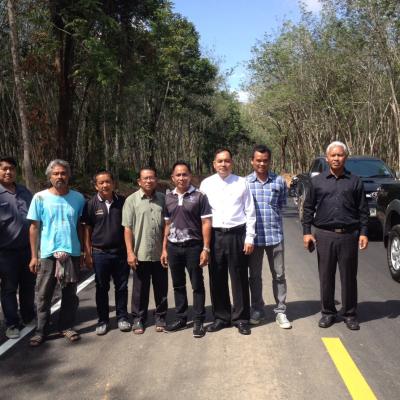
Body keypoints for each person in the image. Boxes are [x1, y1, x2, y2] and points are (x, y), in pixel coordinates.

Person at [302, 141, 369, 330]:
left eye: (340, 155)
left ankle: (349, 314)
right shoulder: (317, 181)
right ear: (327, 158)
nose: (336, 158)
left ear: (345, 157)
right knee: (326, 276)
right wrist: (307, 232)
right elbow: (308, 208)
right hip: (324, 235)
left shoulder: (355, 181)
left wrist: (364, 233)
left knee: (349, 277)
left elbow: (363, 210)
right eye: (333, 155)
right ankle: (328, 313)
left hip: (348, 236)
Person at [27, 159, 85, 346]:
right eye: (56, 173)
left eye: (63, 173)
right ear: (49, 176)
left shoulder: (78, 198)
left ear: (68, 176)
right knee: (43, 294)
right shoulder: (40, 198)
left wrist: (82, 251)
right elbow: (34, 228)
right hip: (47, 255)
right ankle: (41, 330)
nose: (60, 176)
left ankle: (66, 326)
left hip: (72, 253)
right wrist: (34, 256)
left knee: (70, 294)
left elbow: (80, 226)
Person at [200, 149, 256, 335]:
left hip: (237, 234)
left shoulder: (241, 182)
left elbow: (250, 211)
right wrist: (204, 244)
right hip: (215, 235)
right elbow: (202, 215)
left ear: (232, 163)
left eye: (227, 161)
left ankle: (241, 318)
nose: (223, 164)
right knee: (217, 277)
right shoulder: (206, 184)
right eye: (220, 161)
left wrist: (249, 237)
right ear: (214, 164)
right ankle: (221, 317)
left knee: (239, 277)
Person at [161, 161, 212, 338]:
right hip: (173, 247)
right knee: (178, 285)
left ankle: (198, 320)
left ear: (190, 176)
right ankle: (181, 318)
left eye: (185, 174)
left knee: (197, 284)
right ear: (172, 178)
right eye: (178, 175)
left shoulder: (200, 196)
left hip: (193, 246)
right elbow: (167, 224)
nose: (181, 178)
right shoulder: (168, 197)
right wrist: (164, 249)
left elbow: (206, 222)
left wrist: (206, 249)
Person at [246, 145, 292, 329]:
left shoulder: (279, 181)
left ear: (269, 161)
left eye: (265, 160)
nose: (262, 164)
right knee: (254, 276)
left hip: (275, 237)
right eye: (258, 160)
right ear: (252, 161)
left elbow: (281, 205)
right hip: (254, 239)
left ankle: (280, 311)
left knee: (279, 275)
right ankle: (257, 309)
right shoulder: (245, 183)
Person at [82, 170, 131, 335]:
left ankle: (122, 317)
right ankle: (103, 320)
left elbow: (128, 227)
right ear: (96, 186)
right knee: (102, 287)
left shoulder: (122, 202)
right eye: (101, 183)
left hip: (120, 252)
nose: (105, 185)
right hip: (100, 253)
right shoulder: (90, 204)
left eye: (108, 181)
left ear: (113, 183)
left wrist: (130, 251)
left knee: (122, 287)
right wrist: (87, 253)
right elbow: (87, 230)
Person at [122, 167, 167, 334]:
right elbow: (127, 228)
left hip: (159, 252)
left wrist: (165, 249)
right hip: (140, 252)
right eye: (145, 178)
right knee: (140, 289)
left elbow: (167, 225)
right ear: (139, 181)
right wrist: (130, 252)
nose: (149, 181)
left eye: (152, 178)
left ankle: (160, 316)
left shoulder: (163, 199)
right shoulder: (131, 200)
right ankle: (138, 318)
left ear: (156, 180)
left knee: (161, 287)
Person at [0, 156, 35, 339]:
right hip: (5, 253)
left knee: (28, 285)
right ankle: (12, 324)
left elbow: (35, 218)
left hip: (28, 250)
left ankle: (29, 316)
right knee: (9, 289)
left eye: (12, 169)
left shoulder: (24, 191)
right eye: (4, 169)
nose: (8, 172)